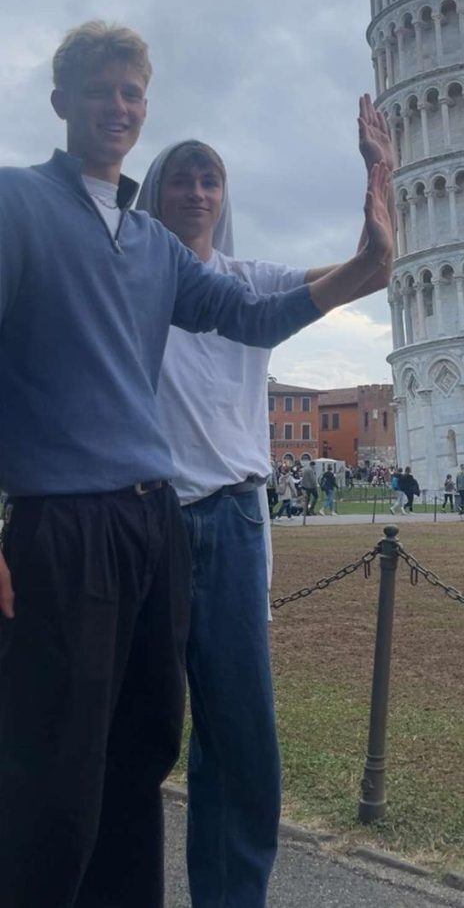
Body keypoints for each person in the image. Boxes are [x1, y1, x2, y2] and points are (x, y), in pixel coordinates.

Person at [0, 21, 394, 908]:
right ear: (61, 101)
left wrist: (367, 266)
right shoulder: (16, 204)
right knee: (58, 768)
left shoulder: (152, 248)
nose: (117, 106)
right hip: (63, 520)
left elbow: (247, 314)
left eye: (132, 92)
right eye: (99, 89)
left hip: (152, 522)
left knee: (143, 757)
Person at [134, 106, 394, 908]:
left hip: (237, 523)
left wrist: (377, 175)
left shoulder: (254, 282)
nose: (198, 190)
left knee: (242, 737)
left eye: (210, 178)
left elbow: (369, 268)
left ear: (225, 195)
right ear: (154, 193)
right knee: (135, 728)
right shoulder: (128, 279)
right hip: (148, 519)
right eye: (182, 177)